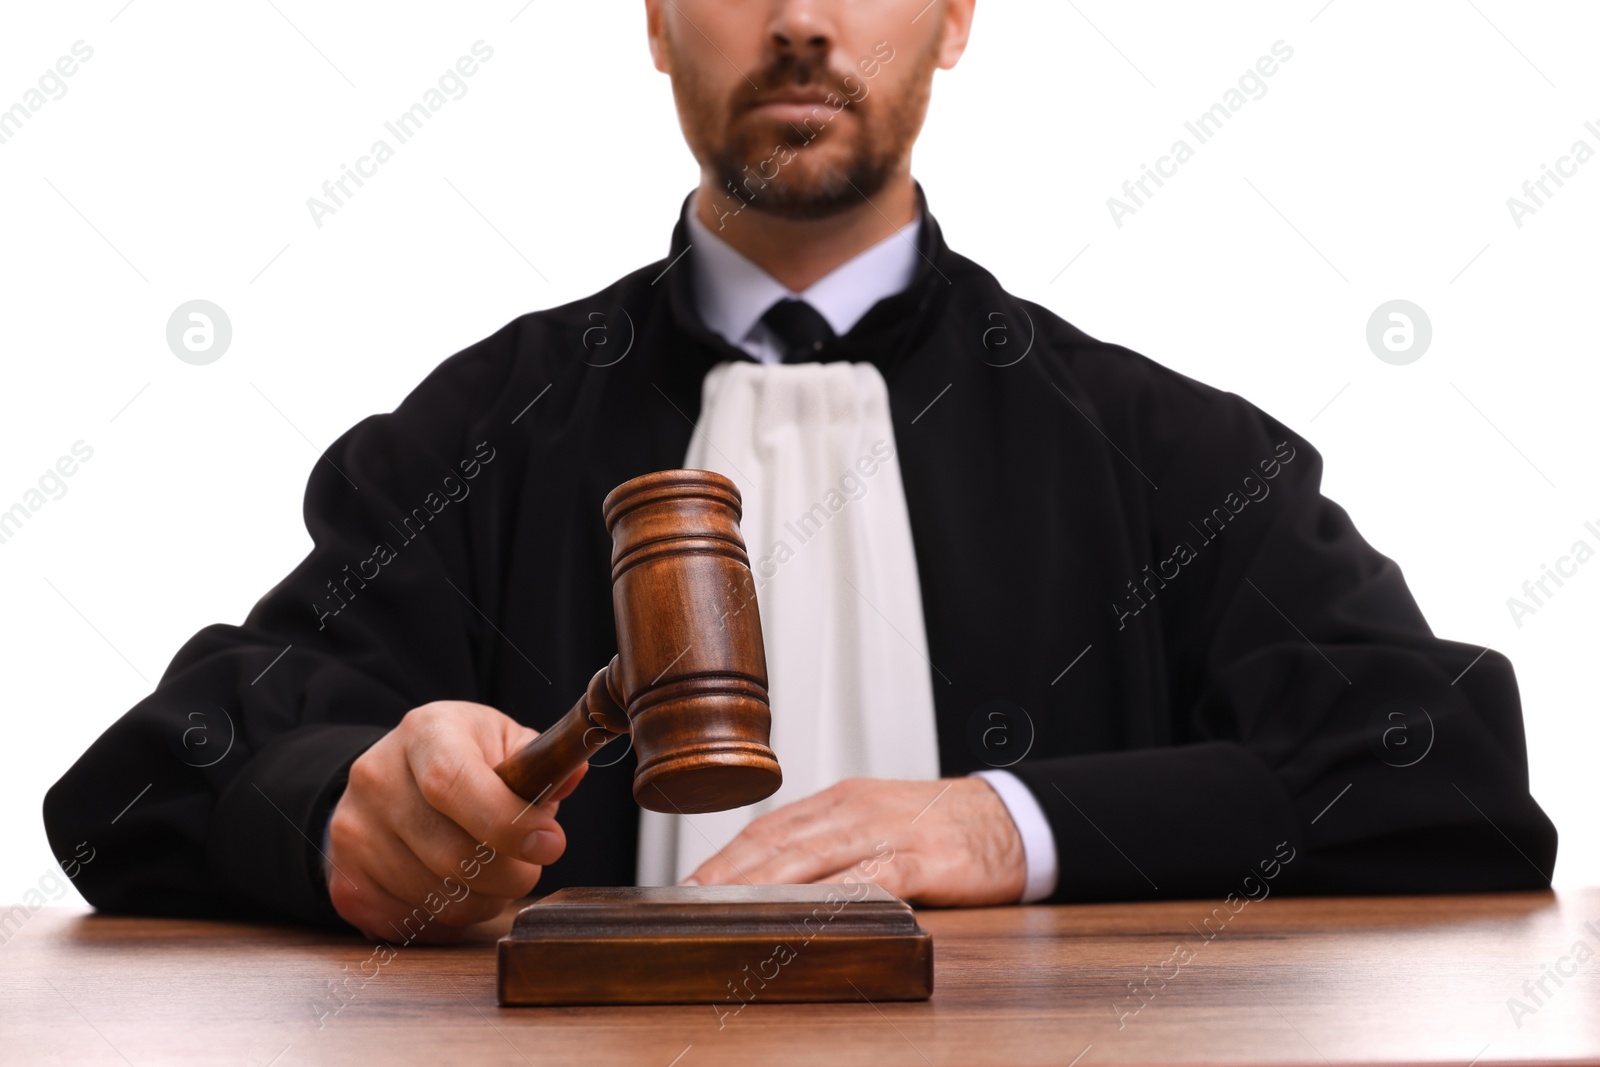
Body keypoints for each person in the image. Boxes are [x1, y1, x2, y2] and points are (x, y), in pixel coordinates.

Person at [44, 0, 1556, 945]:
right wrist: (338, 819)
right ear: (652, 18)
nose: (800, 19)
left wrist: (1010, 826)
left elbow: (1453, 770)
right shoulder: (479, 436)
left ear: (958, 15)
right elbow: (132, 785)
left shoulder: (1165, 452)